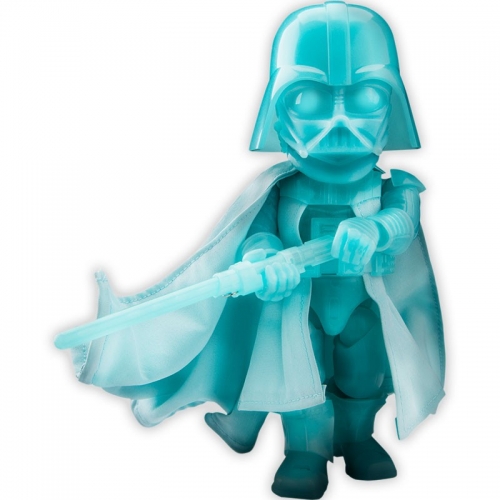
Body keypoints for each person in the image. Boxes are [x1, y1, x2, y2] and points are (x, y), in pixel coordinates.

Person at [62, 2, 445, 499]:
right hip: (298, 309)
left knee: (363, 377)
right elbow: (259, 235)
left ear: (390, 105)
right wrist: (262, 260)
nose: (339, 121)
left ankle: (358, 439)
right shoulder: (279, 189)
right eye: (310, 99)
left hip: (366, 307)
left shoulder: (394, 187)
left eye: (364, 97)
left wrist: (375, 228)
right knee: (299, 379)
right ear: (279, 110)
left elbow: (403, 222)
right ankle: (305, 452)